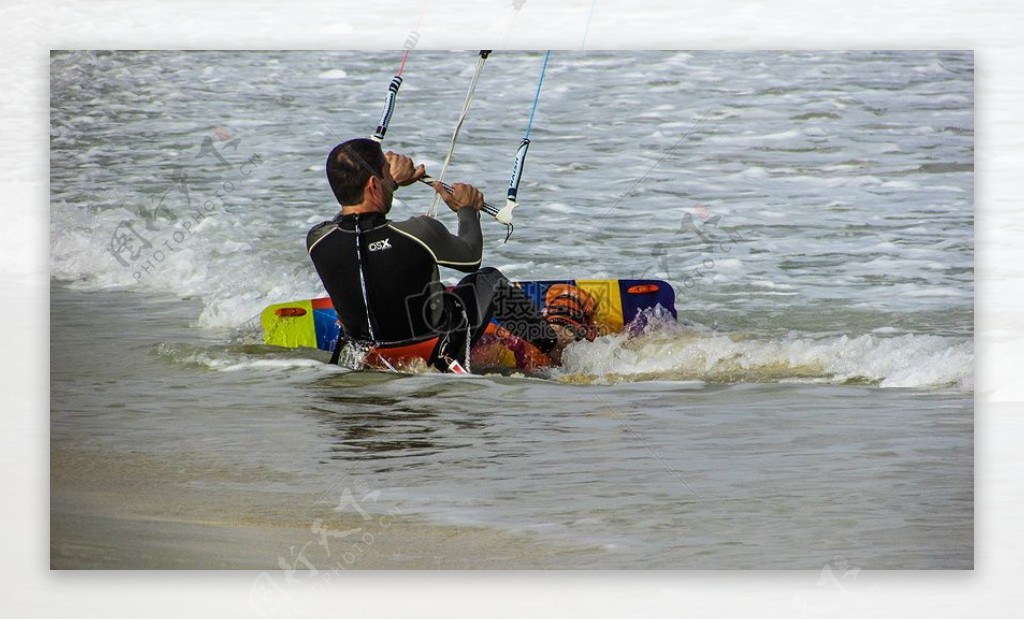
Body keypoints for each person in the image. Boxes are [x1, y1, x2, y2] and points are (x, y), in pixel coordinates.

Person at [307, 138, 577, 372]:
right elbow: (471, 258)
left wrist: (388, 183)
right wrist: (467, 210)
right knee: (488, 281)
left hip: (365, 355)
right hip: (434, 353)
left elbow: (350, 227)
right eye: (386, 172)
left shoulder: (317, 240)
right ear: (374, 185)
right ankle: (555, 348)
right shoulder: (419, 231)